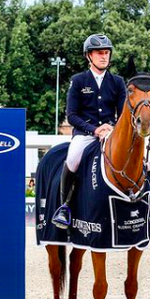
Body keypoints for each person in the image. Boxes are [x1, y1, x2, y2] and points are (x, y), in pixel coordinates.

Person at [51, 34, 127, 229]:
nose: (104, 56)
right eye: (99, 53)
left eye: (107, 52)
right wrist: (94, 130)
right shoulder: (78, 81)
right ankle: (65, 207)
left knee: (145, 159)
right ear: (89, 56)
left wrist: (113, 128)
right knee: (73, 157)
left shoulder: (118, 82)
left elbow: (124, 113)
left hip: (111, 133)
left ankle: (146, 206)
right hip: (85, 134)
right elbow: (72, 115)